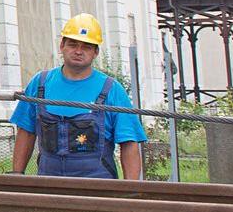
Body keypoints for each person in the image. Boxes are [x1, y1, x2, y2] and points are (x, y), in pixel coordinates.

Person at [9, 13, 145, 180]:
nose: (78, 51)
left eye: (86, 46)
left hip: (99, 190)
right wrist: (16, 175)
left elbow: (129, 143)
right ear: (62, 46)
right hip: (49, 186)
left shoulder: (112, 90)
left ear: (95, 52)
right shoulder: (40, 84)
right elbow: (26, 131)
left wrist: (131, 192)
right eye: (73, 44)